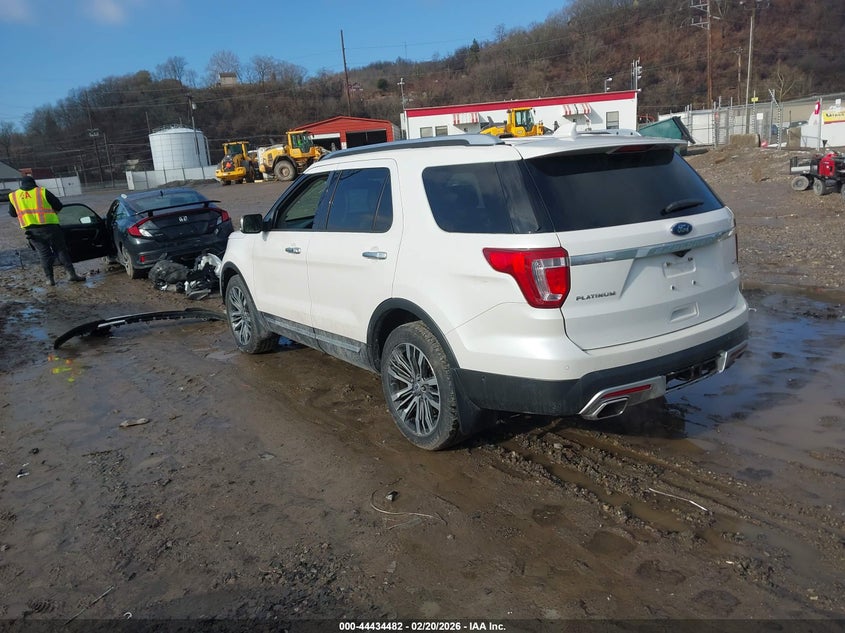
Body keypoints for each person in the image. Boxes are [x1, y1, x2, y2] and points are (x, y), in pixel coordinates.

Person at [8, 175, 85, 286]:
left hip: (32, 231)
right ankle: (71, 275)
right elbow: (59, 205)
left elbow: (12, 214)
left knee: (44, 254)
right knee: (61, 251)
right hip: (51, 228)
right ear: (34, 183)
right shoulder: (42, 192)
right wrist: (53, 213)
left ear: (21, 184)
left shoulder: (13, 196)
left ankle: (50, 280)